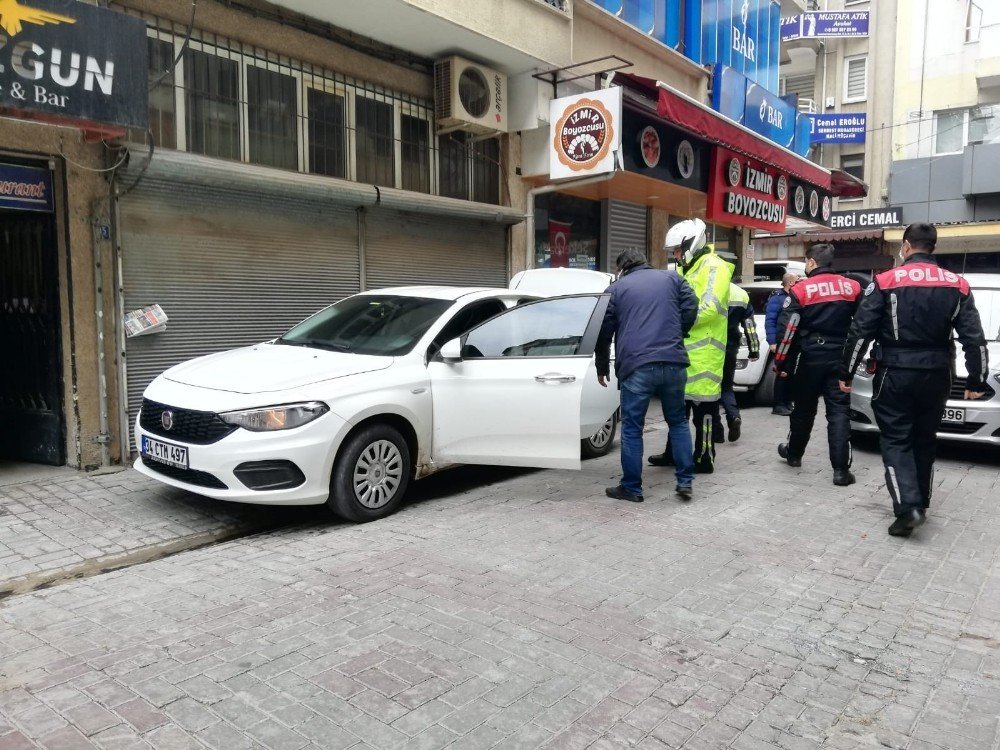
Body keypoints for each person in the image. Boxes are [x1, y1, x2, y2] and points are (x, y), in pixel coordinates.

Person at [839, 223, 988, 537]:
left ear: (906, 246)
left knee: (895, 439)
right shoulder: (957, 284)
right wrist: (976, 380)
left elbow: (860, 332)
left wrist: (846, 373)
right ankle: (922, 500)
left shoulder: (885, 281)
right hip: (938, 373)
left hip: (895, 370)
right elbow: (974, 339)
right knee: (924, 437)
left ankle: (908, 507)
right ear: (933, 247)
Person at [596, 247, 698, 502]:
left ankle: (632, 487)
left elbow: (603, 330)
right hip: (674, 362)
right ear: (645, 262)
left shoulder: (616, 289)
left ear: (622, 269)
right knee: (678, 421)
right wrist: (678, 333)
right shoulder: (672, 278)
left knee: (632, 428)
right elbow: (691, 306)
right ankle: (685, 482)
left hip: (637, 365)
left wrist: (601, 366)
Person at [648, 219, 733, 473]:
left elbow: (710, 307)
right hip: (682, 351)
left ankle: (705, 457)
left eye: (676, 250)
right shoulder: (686, 269)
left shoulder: (714, 267)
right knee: (677, 409)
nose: (675, 255)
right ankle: (673, 453)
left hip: (706, 354)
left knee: (704, 411)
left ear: (690, 245)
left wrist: (673, 319)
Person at [773, 244, 861, 486]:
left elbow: (787, 331)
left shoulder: (801, 290)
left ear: (811, 262)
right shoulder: (852, 286)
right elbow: (863, 325)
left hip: (809, 357)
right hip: (840, 357)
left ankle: (794, 455)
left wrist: (781, 363)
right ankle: (841, 471)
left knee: (803, 409)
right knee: (839, 412)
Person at [712, 283, 760, 443]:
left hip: (709, 347)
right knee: (726, 386)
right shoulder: (741, 294)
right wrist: (754, 350)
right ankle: (733, 416)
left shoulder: (710, 288)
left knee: (710, 390)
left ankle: (716, 431)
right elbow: (750, 327)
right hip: (730, 347)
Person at [765, 272, 799, 415]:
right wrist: (772, 342)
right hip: (781, 341)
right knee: (782, 373)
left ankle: (787, 402)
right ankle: (778, 404)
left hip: (793, 341)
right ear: (790, 282)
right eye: (797, 280)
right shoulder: (777, 299)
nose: (800, 282)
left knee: (790, 373)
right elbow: (770, 320)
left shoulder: (794, 298)